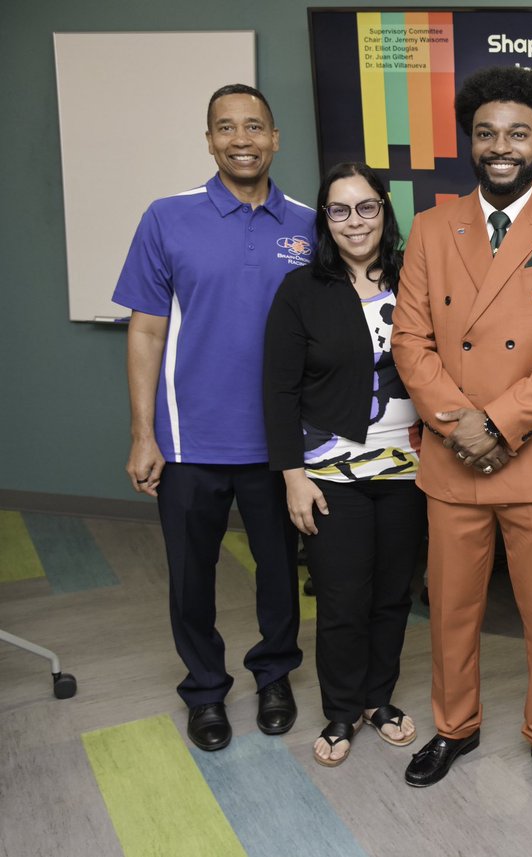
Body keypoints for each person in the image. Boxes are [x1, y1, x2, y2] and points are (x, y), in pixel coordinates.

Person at [391, 66, 532, 804]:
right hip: (456, 456)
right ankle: (455, 726)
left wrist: (502, 423)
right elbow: (410, 341)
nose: (501, 146)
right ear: (471, 143)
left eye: (517, 133)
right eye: (486, 133)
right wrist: (461, 425)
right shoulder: (431, 226)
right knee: (451, 605)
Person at [114, 84, 314, 751]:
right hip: (188, 440)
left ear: (275, 137)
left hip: (280, 444)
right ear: (208, 141)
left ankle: (275, 673)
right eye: (225, 127)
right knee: (190, 577)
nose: (241, 139)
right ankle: (204, 688)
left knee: (281, 572)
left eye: (254, 126)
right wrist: (144, 434)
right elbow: (145, 332)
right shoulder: (167, 217)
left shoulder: (310, 224)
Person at [263, 162, 425, 767]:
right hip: (330, 473)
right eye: (339, 210)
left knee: (391, 596)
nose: (354, 221)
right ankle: (340, 710)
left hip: (409, 467)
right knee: (341, 598)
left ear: (385, 210)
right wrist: (293, 476)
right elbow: (278, 391)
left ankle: (378, 699)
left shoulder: (419, 279)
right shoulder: (301, 291)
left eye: (366, 207)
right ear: (324, 220)